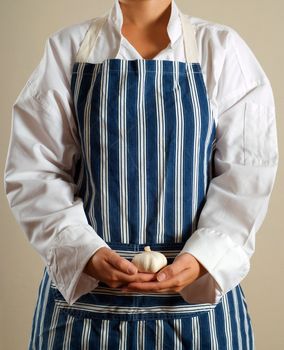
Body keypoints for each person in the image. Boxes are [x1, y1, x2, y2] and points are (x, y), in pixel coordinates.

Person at [4, 0, 279, 348]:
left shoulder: (221, 49)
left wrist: (204, 258)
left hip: (197, 315)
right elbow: (36, 170)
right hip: (85, 315)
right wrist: (82, 250)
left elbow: (248, 173)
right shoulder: (68, 50)